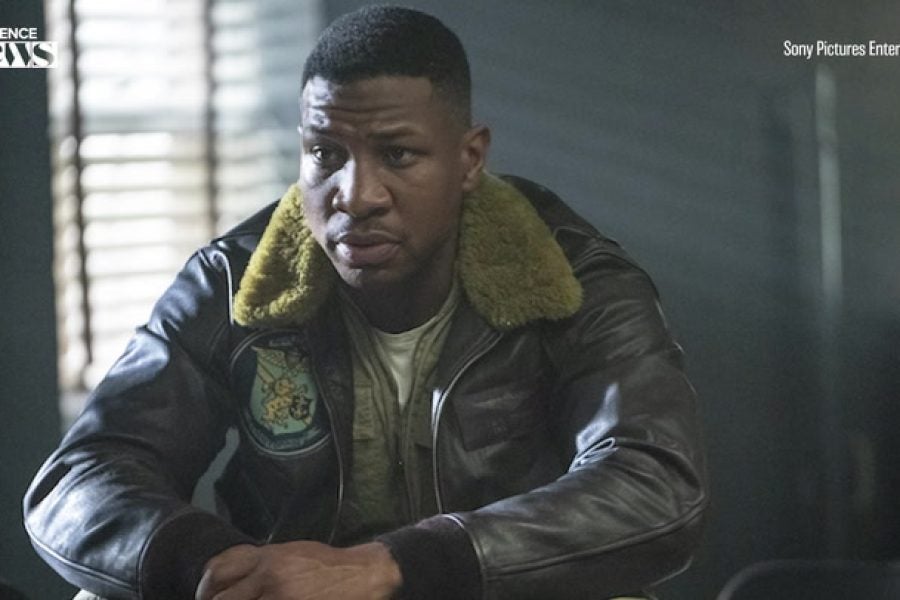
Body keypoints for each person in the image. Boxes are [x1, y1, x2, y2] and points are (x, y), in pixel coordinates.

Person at [24, 6, 707, 599]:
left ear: (469, 159)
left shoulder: (575, 280)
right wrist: (219, 568)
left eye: (399, 155)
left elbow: (656, 485)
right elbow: (81, 479)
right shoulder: (233, 281)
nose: (356, 195)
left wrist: (394, 568)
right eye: (326, 154)